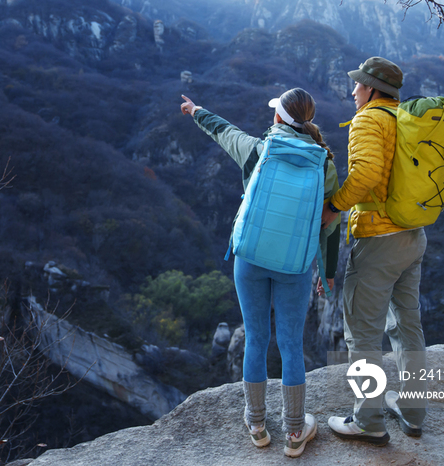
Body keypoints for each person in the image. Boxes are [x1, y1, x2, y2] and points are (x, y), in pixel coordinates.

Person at [181, 89, 340, 458]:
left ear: (279, 118)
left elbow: (223, 130)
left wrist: (195, 110)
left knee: (255, 336)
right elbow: (329, 227)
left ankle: (256, 425)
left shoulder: (258, 150)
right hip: (295, 266)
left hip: (250, 258)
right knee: (290, 345)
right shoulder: (325, 165)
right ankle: (296, 431)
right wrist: (327, 273)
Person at [321, 57, 427, 445]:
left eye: (357, 85)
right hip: (413, 237)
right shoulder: (407, 119)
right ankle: (413, 412)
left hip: (379, 239)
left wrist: (335, 207)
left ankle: (368, 421)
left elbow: (364, 174)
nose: (352, 91)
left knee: (363, 333)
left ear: (371, 88)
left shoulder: (369, 119)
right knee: (407, 325)